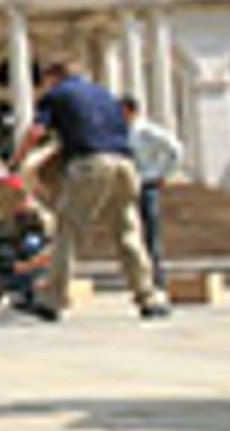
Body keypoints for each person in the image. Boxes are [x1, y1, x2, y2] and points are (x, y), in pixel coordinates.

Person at [9, 56, 168, 321]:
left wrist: (17, 160)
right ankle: (148, 297)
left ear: (53, 76)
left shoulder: (56, 95)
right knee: (128, 231)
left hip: (90, 163)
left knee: (67, 231)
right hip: (125, 164)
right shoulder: (105, 93)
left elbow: (36, 132)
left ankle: (52, 300)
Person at [121, 95, 183, 290]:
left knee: (150, 231)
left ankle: (156, 275)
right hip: (125, 185)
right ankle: (138, 275)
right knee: (130, 231)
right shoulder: (119, 132)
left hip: (146, 183)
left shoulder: (147, 131)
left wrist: (163, 173)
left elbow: (175, 149)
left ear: (130, 110)